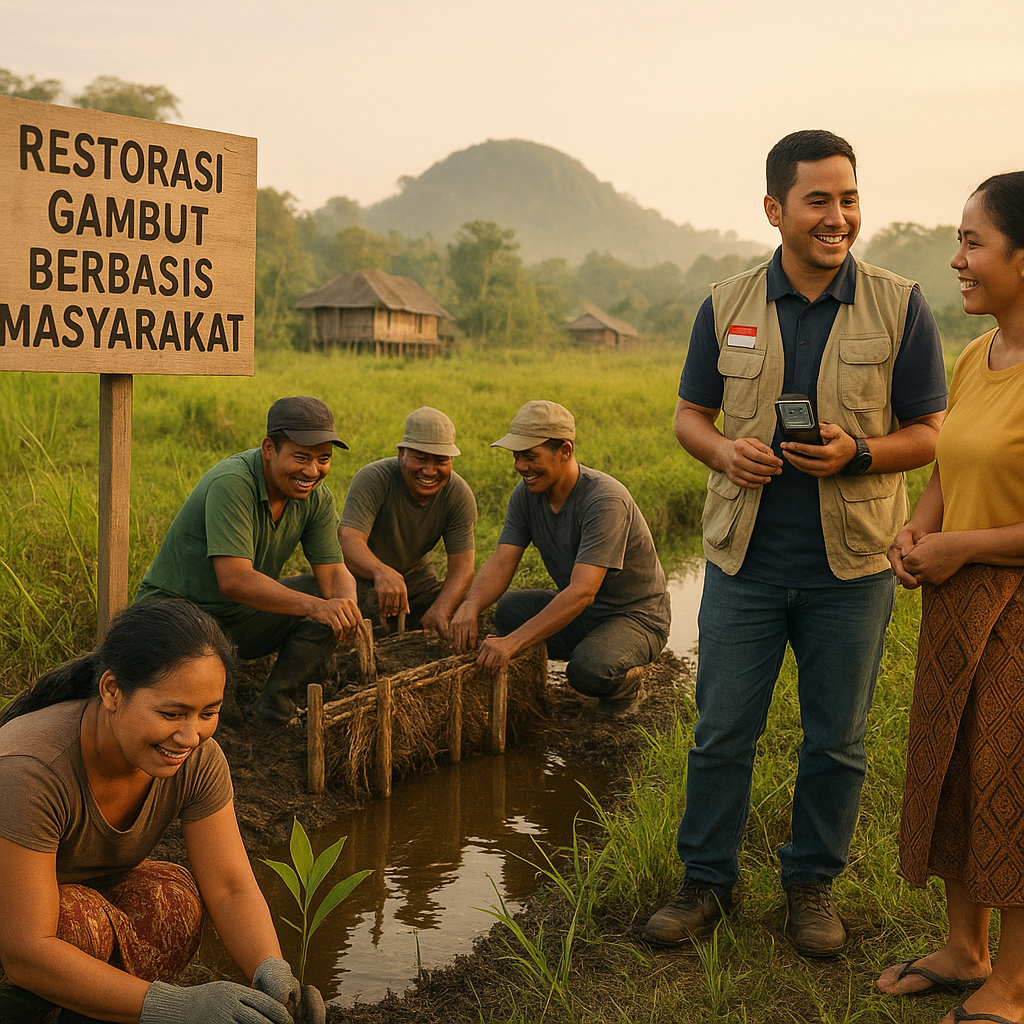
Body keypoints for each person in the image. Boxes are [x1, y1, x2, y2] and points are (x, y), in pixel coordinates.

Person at [642, 129, 948, 955]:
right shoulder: (727, 304)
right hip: (744, 561)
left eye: (848, 198)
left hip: (852, 568)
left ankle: (811, 886)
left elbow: (932, 431)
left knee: (837, 742)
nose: (837, 216)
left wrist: (862, 453)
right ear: (776, 209)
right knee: (721, 733)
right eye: (818, 200)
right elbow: (689, 416)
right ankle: (705, 885)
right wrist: (721, 451)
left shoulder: (900, 302)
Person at [0, 599, 325, 1024]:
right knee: (79, 920)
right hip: (18, 932)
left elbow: (229, 886)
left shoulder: (198, 760)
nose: (191, 735)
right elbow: (28, 949)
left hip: (54, 912)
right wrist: (176, 1006)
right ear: (112, 691)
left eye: (209, 713)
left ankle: (90, 1006)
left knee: (173, 898)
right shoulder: (31, 771)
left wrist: (270, 971)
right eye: (172, 713)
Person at [875, 173, 1024, 1024]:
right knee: (964, 773)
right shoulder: (977, 353)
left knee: (1015, 783)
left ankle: (1017, 977)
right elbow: (948, 467)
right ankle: (966, 948)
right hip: (958, 606)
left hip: (1014, 610)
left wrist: (957, 546)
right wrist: (917, 527)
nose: (957, 259)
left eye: (973, 242)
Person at [137, 396, 362, 725]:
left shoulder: (316, 498)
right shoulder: (233, 483)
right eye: (301, 457)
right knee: (214, 721)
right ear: (269, 448)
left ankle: (273, 713)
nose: (312, 471)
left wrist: (345, 606)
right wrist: (316, 606)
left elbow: (334, 572)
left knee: (326, 598)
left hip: (236, 622)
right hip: (176, 621)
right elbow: (235, 581)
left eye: (323, 459)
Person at [449, 400, 670, 710]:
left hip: (635, 616)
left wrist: (511, 644)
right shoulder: (525, 495)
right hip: (586, 613)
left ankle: (627, 683)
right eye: (516, 456)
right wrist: (470, 606)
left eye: (530, 456)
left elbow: (582, 593)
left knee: (587, 671)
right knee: (509, 611)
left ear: (565, 451)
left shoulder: (604, 500)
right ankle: (591, 646)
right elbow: (502, 560)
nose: (520, 466)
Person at [339, 407, 476, 634]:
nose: (430, 471)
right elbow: (348, 540)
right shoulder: (373, 479)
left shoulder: (458, 495)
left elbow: (463, 568)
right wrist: (380, 572)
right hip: (363, 578)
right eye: (420, 458)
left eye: (441, 461)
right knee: (349, 614)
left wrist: (441, 609)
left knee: (467, 607)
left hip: (417, 581)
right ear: (401, 454)